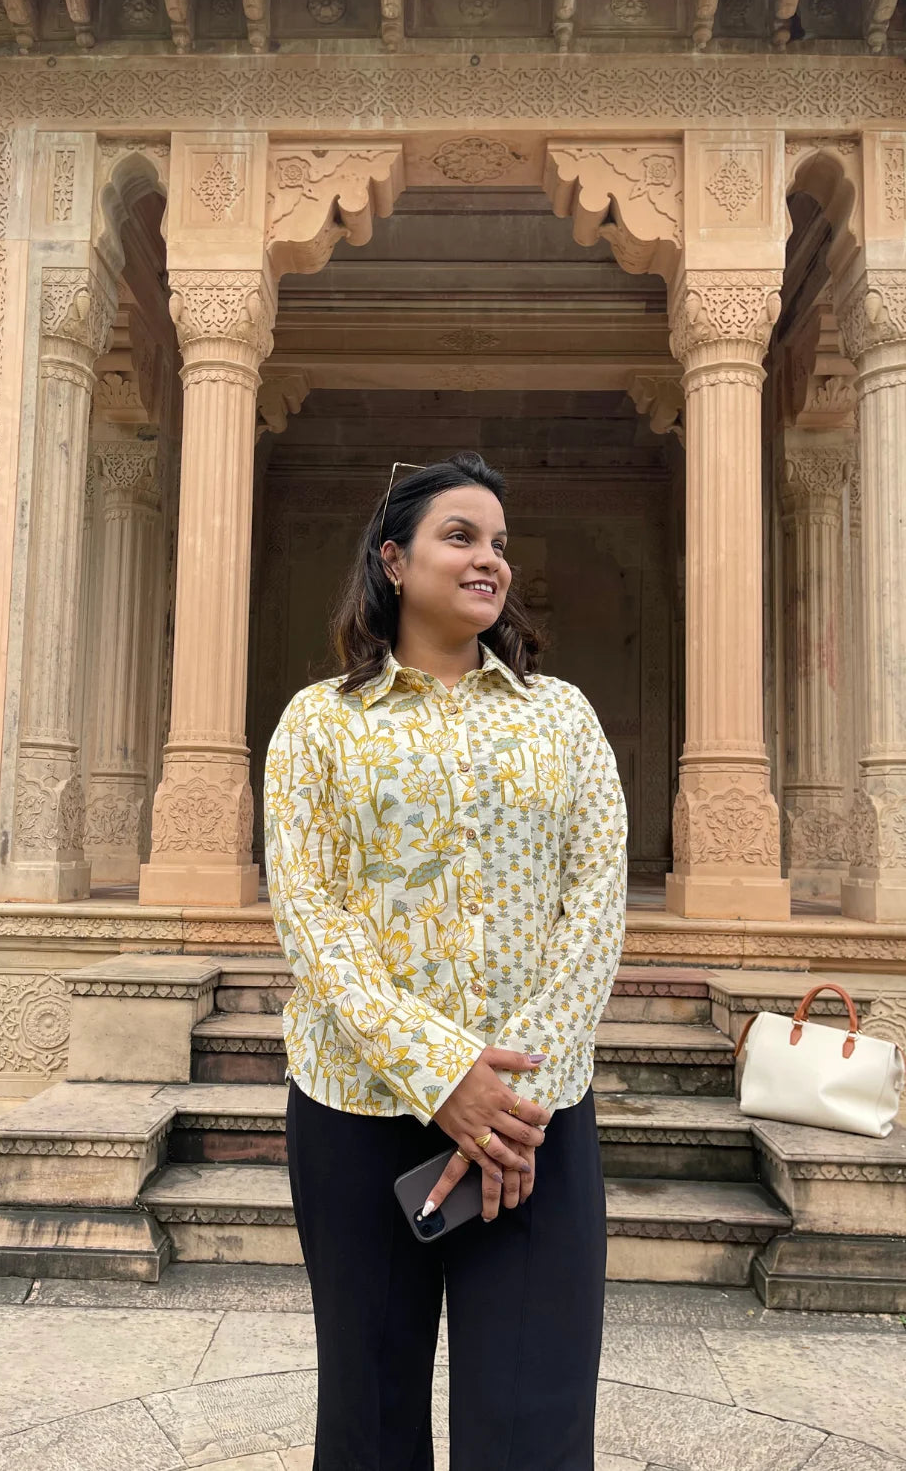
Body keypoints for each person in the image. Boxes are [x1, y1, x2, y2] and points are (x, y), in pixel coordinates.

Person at [264, 451, 628, 1471]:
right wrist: (441, 1075)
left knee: (533, 1419)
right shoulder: (319, 727)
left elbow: (595, 904)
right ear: (393, 560)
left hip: (532, 1125)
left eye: (499, 544)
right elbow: (310, 916)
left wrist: (508, 1104)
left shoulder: (560, 719)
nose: (489, 560)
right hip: (357, 1115)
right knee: (370, 1414)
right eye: (460, 537)